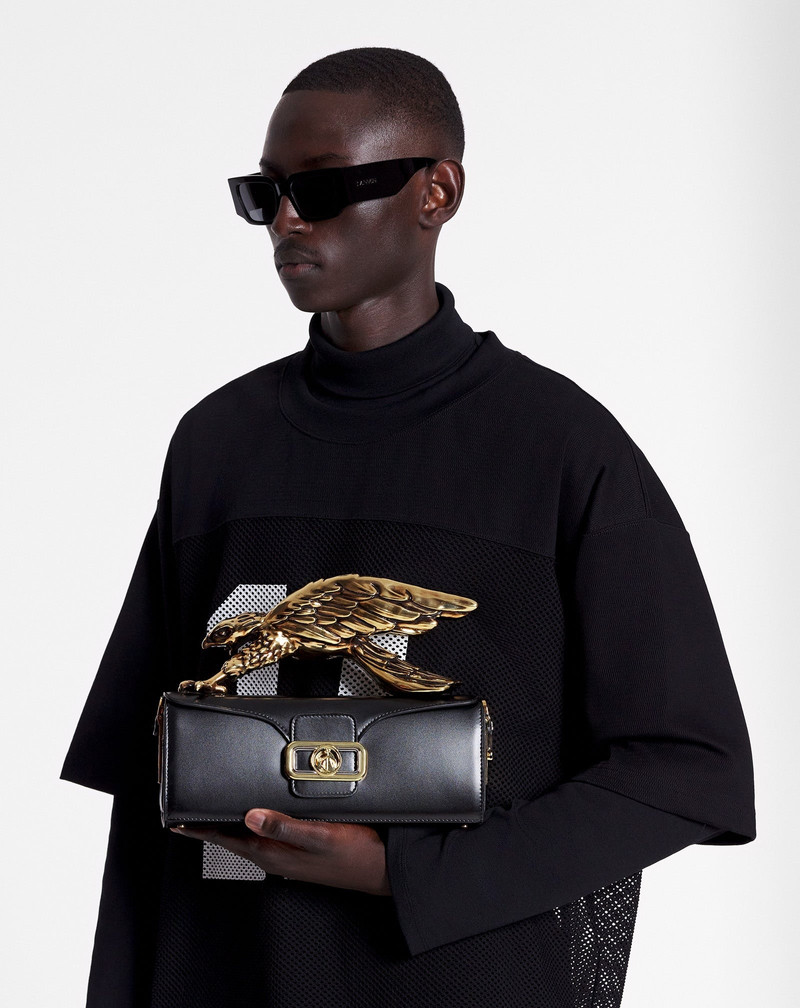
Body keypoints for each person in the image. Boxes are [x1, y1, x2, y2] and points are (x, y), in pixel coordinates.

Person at [60, 47, 756, 1008]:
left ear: (437, 192)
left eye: (322, 188)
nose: (288, 220)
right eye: (264, 195)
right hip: (226, 973)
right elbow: (150, 789)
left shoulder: (561, 450)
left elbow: (690, 770)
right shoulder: (217, 443)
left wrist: (403, 873)